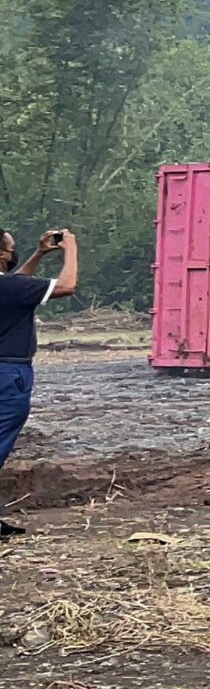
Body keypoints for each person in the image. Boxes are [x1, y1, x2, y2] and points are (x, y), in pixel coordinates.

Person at [0, 228, 75, 539]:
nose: (12, 253)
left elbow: (16, 285)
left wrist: (39, 254)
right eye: (10, 249)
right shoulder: (11, 288)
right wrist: (70, 248)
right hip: (9, 373)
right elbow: (68, 286)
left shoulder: (10, 288)